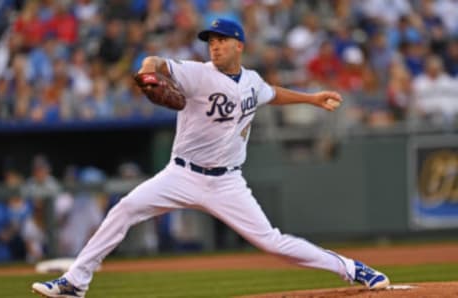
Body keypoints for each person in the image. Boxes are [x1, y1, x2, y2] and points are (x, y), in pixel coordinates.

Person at [32, 18, 390, 297]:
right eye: (211, 42)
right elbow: (157, 62)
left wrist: (311, 99)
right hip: (181, 175)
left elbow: (271, 93)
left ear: (239, 45)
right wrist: (145, 70)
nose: (214, 47)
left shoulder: (251, 81)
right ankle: (75, 283)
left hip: (226, 182)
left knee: (273, 243)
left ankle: (353, 269)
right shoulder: (197, 73)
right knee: (125, 209)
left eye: (220, 41)